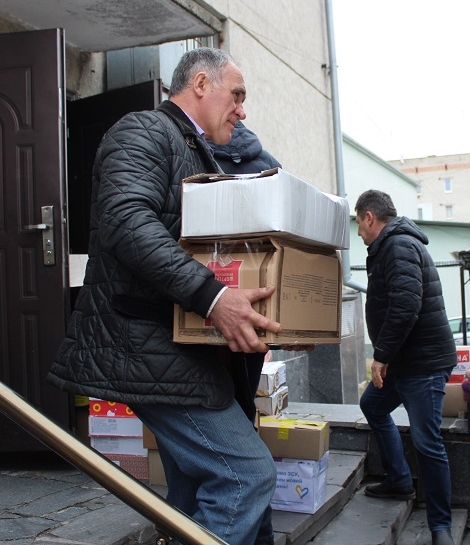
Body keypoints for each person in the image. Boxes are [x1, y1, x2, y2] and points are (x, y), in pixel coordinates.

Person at [47, 47, 294, 545]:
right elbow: (126, 221)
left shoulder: (195, 148)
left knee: (193, 492)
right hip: (145, 344)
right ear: (201, 85)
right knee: (246, 475)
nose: (243, 110)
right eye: (237, 95)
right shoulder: (142, 131)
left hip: (178, 348)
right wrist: (213, 299)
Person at [354, 190, 458, 545]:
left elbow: (405, 305)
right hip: (405, 360)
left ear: (370, 217)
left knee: (428, 441)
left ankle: (440, 527)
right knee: (372, 405)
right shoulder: (390, 246)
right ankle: (399, 480)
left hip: (422, 362)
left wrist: (380, 355)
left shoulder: (397, 245)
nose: (358, 232)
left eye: (358, 222)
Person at [205, 120, 282, 544]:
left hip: (207, 320)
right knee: (244, 432)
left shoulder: (200, 159)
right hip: (252, 320)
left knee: (235, 465)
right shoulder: (268, 166)